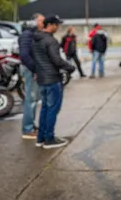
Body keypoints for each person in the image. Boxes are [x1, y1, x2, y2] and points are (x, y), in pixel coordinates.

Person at [32, 15, 75, 149]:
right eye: (57, 25)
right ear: (50, 25)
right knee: (52, 110)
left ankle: (41, 138)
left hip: (42, 79)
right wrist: (70, 67)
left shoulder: (36, 39)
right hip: (52, 79)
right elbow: (56, 60)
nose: (58, 27)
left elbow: (35, 59)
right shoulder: (51, 41)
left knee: (45, 109)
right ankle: (49, 139)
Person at [18, 13, 44, 140]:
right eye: (41, 21)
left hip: (31, 69)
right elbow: (24, 55)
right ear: (33, 22)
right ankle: (27, 129)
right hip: (30, 70)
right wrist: (35, 70)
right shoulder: (27, 35)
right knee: (31, 99)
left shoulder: (32, 35)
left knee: (33, 99)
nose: (43, 24)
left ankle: (31, 126)